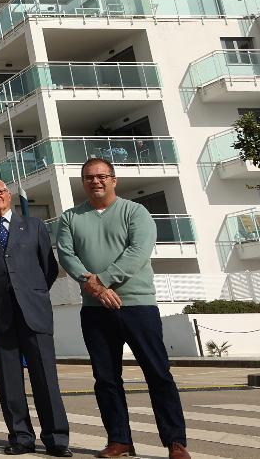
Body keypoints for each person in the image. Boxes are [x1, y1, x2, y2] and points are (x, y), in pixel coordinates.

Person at [56, 158, 190, 459]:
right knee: (106, 379)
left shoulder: (135, 211)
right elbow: (66, 255)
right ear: (83, 182)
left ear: (113, 180)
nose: (96, 181)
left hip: (138, 306)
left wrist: (102, 280)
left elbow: (138, 252)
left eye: (102, 176)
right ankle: (119, 440)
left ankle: (175, 441)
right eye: (89, 177)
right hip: (95, 309)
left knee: (157, 373)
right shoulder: (70, 218)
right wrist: (95, 288)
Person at [0, 178, 71, 457]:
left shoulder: (34, 226)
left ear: (9, 195)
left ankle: (56, 438)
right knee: (8, 381)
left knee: (45, 378)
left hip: (34, 311)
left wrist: (30, 292)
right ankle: (21, 437)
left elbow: (48, 267)